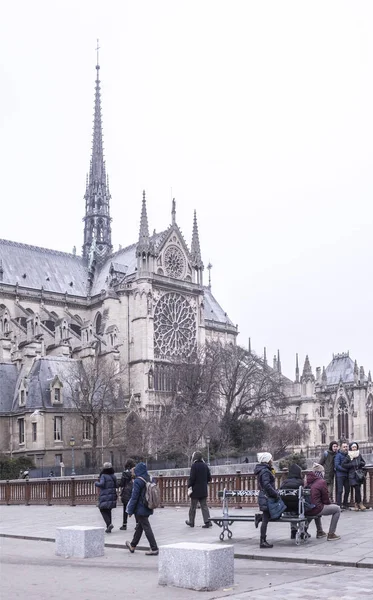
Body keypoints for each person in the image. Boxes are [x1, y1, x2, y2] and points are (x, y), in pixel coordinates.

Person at [125, 462, 159, 555]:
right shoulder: (150, 478)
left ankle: (154, 548)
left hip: (140, 508)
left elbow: (134, 497)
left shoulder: (138, 481)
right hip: (148, 505)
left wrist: (130, 511)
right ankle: (133, 545)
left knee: (146, 527)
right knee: (140, 527)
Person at [305, 463, 341, 541]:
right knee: (337, 509)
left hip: (307, 508)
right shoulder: (321, 482)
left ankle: (320, 531)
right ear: (321, 472)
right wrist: (330, 503)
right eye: (323, 471)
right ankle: (331, 534)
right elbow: (325, 499)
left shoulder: (307, 481)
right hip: (315, 509)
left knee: (317, 505)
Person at [254, 452, 279, 548]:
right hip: (267, 497)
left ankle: (259, 518)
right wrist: (275, 493)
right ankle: (262, 541)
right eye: (271, 459)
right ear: (267, 460)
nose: (272, 460)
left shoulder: (265, 470)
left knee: (269, 516)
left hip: (265, 496)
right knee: (266, 519)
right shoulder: (265, 471)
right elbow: (266, 485)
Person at [280, 462, 308, 539]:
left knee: (291, 511)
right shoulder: (300, 483)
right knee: (305, 508)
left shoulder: (284, 483)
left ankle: (293, 531)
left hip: (286, 508)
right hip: (297, 507)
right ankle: (303, 530)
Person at [185, 451, 212, 528]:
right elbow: (209, 478)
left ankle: (191, 522)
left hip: (195, 490)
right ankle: (207, 521)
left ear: (194, 458)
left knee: (193, 506)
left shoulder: (194, 466)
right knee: (204, 506)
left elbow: (192, 478)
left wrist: (189, 486)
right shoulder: (205, 466)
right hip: (203, 489)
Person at [342, 442, 366, 511]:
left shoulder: (359, 454)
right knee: (357, 488)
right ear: (351, 448)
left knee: (358, 489)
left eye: (355, 447)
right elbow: (343, 464)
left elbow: (364, 463)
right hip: (352, 475)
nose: (354, 448)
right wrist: (351, 464)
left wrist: (359, 463)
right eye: (353, 447)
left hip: (358, 474)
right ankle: (360, 503)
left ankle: (356, 504)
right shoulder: (348, 456)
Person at [95, 462, 118, 533]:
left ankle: (109, 524)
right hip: (112, 495)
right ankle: (108, 526)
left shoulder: (103, 476)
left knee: (102, 509)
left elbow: (101, 484)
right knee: (108, 510)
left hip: (105, 495)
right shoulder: (113, 476)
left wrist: (96, 483)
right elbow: (117, 485)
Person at [119, 458, 136, 530]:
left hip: (126, 492)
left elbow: (122, 483)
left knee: (125, 508)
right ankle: (137, 524)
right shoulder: (135, 472)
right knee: (135, 507)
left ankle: (124, 524)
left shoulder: (125, 473)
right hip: (134, 491)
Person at [334, 441, 350, 509]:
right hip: (340, 475)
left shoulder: (348, 455)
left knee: (347, 490)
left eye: (346, 447)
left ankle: (345, 504)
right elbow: (337, 466)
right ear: (341, 447)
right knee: (340, 491)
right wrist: (345, 469)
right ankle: (339, 505)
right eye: (344, 447)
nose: (345, 448)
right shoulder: (338, 455)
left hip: (347, 475)